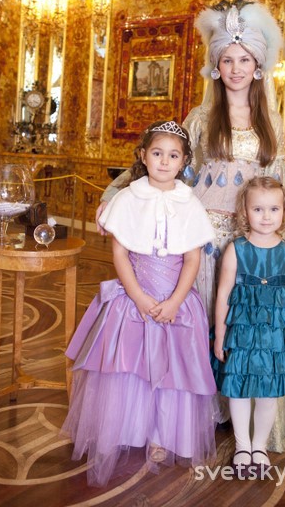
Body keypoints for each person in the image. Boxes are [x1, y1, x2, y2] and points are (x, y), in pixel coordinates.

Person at [96, 0, 285, 452]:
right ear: (216, 66)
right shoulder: (200, 118)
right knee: (204, 324)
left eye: (244, 59)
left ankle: (244, 409)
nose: (235, 68)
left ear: (258, 66)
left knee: (243, 327)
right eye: (227, 59)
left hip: (249, 243)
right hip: (203, 241)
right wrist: (115, 196)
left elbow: (279, 185)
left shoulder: (271, 123)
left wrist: (281, 239)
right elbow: (166, 169)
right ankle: (203, 410)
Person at [62, 120, 218, 487]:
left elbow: (192, 260)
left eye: (173, 156)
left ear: (184, 161)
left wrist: (175, 301)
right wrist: (138, 296)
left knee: (172, 370)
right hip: (135, 298)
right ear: (143, 156)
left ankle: (163, 435)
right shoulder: (127, 198)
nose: (164, 161)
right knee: (128, 367)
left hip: (176, 303)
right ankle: (127, 428)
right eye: (157, 153)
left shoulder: (190, 202)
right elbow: (120, 254)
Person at [212, 176, 285, 474]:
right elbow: (223, 295)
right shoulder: (236, 249)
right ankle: (242, 446)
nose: (266, 217)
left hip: (276, 338)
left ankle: (259, 446)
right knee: (238, 390)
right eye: (258, 209)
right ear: (245, 211)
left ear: (284, 212)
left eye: (274, 209)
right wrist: (220, 336)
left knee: (268, 393)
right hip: (241, 334)